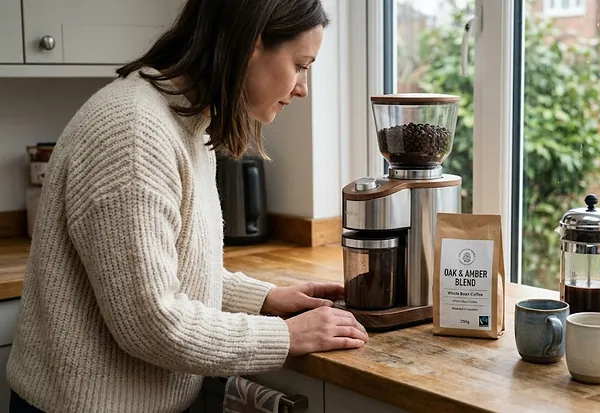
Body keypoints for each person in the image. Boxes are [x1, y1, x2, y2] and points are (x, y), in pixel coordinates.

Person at [6, 0, 369, 412]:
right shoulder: (135, 131)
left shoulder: (185, 121)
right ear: (251, 43)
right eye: (301, 65)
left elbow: (170, 269)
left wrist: (265, 298)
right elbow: (152, 323)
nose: (303, 87)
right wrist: (287, 337)